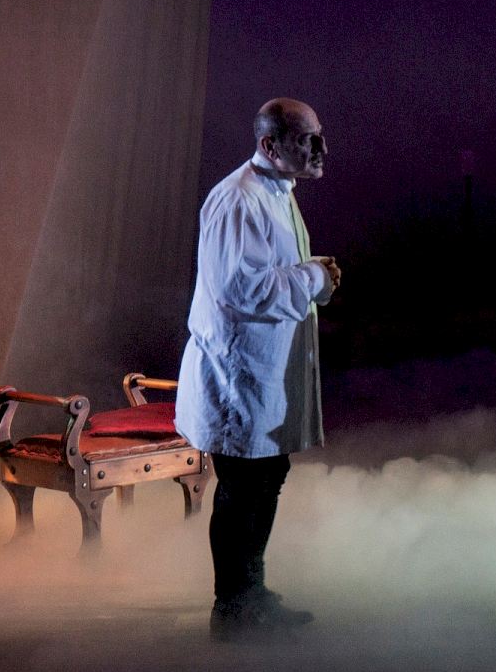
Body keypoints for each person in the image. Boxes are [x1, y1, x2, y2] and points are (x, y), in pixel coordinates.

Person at [176, 97, 341, 641]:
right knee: (243, 489)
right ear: (270, 145)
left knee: (265, 479)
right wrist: (314, 278)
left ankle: (251, 595)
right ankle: (231, 610)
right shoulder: (238, 199)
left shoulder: (275, 191)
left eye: (318, 136)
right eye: (307, 139)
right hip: (237, 378)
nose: (321, 148)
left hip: (260, 377)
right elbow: (242, 288)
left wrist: (311, 276)